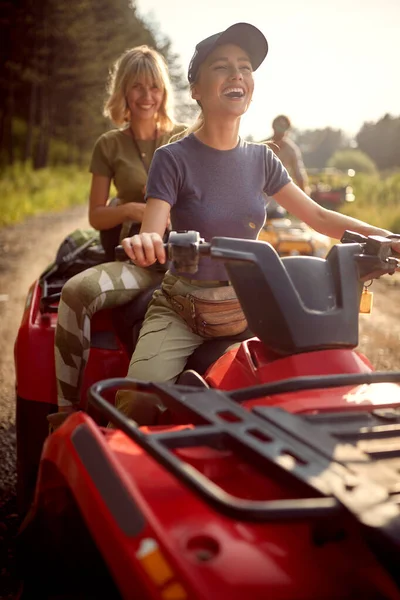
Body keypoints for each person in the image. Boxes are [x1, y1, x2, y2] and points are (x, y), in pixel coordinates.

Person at [114, 22, 400, 426]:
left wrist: (386, 237)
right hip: (183, 310)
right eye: (222, 67)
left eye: (245, 67)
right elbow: (152, 227)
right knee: (137, 403)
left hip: (249, 306)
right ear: (195, 89)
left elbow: (318, 217)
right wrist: (146, 243)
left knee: (306, 391)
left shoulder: (263, 160)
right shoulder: (172, 158)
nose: (237, 75)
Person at [50, 45, 186, 428]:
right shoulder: (108, 144)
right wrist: (129, 209)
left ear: (164, 91)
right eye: (137, 87)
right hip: (139, 261)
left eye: (154, 87)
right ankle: (64, 413)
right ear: (124, 92)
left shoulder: (183, 137)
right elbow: (96, 215)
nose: (146, 96)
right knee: (76, 292)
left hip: (186, 258)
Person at [267, 115, 310, 194]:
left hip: (281, 193)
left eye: (284, 127)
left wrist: (306, 198)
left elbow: (299, 175)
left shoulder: (291, 150)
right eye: (278, 126)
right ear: (273, 127)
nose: (281, 130)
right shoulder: (263, 147)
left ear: (288, 129)